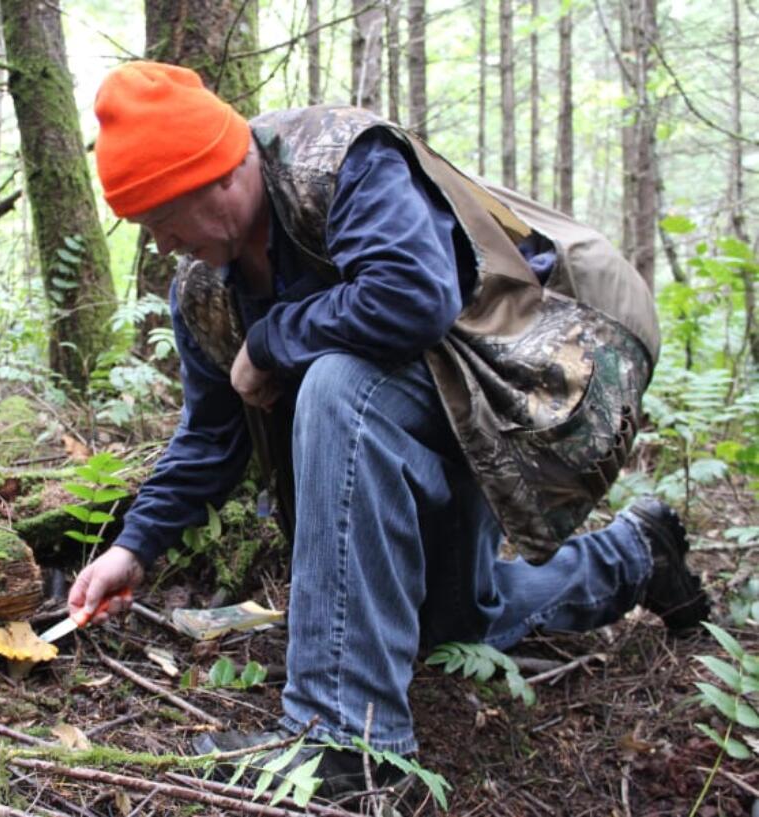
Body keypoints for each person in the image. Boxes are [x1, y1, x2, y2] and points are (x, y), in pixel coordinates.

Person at [67, 61, 709, 796]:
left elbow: (414, 295)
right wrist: (134, 545)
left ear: (219, 172)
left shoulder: (339, 160)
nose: (162, 245)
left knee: (339, 384)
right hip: (436, 413)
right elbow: (213, 435)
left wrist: (272, 342)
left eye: (163, 217)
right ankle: (637, 553)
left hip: (548, 360)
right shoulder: (205, 287)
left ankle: (348, 741)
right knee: (454, 622)